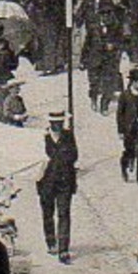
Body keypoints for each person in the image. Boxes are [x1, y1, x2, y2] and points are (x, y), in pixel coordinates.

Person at [36, 111, 78, 263]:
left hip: (65, 181)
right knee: (48, 213)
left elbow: (75, 155)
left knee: (64, 214)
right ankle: (51, 241)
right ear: (50, 123)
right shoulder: (42, 138)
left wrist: (63, 161)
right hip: (46, 182)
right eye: (55, 123)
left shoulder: (68, 136)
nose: (58, 126)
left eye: (61, 123)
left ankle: (63, 249)